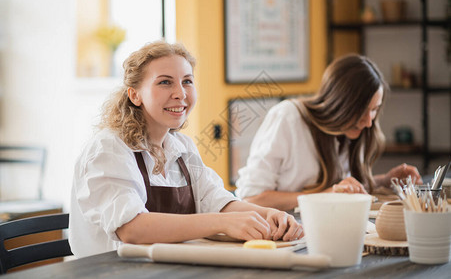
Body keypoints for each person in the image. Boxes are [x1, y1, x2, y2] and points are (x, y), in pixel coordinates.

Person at [69, 41, 302, 258]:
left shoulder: (182, 147)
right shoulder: (109, 148)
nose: (180, 93)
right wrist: (222, 223)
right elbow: (132, 229)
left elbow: (216, 201)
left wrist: (268, 214)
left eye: (187, 81)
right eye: (164, 82)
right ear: (135, 95)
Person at [235, 54, 422, 211]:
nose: (368, 122)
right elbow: (252, 199)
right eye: (360, 110)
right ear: (338, 104)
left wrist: (384, 180)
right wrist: (326, 195)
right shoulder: (288, 118)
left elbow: (338, 188)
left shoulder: (351, 132)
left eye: (374, 110)